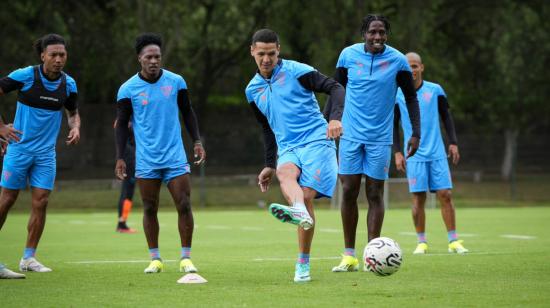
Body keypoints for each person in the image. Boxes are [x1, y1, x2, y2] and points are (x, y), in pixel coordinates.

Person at [245, 29, 345, 282]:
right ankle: (298, 212)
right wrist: (269, 163)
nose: (266, 59)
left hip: (316, 141)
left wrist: (334, 118)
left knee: (307, 195)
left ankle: (303, 261)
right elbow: (267, 127)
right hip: (288, 147)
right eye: (261, 54)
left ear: (278, 50)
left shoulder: (298, 71)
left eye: (271, 53)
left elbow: (335, 87)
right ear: (252, 52)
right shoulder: (252, 90)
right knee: (284, 173)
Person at [331, 15, 421, 272]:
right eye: (373, 32)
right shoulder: (347, 56)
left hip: (380, 139)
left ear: (387, 35)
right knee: (348, 190)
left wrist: (415, 133)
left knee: (374, 193)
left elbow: (411, 99)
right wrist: (329, 120)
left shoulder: (398, 61)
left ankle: (373, 255)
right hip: (349, 135)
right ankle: (349, 255)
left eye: (382, 32)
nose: (378, 37)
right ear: (364, 33)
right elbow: (336, 90)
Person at [115, 33, 206, 274]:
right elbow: (122, 124)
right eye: (149, 57)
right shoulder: (127, 89)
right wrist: (121, 157)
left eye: (157, 56)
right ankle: (155, 258)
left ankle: (186, 258)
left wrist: (196, 140)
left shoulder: (176, 82)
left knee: (184, 204)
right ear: (140, 59)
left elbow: (187, 112)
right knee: (149, 207)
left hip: (175, 156)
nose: (154, 61)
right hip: (146, 159)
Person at [0, 34, 80, 273]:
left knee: (41, 202)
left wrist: (75, 126)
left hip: (46, 155)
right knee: (6, 200)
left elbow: (73, 111)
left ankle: (28, 258)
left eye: (62, 55)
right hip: (19, 149)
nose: (58, 59)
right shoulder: (26, 75)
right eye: (53, 54)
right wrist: (2, 127)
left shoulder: (69, 84)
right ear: (42, 55)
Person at [394, 52, 468, 254]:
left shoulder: (435, 90)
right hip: (414, 155)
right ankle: (421, 242)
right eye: (408, 66)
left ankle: (453, 241)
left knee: (446, 194)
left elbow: (446, 117)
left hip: (437, 153)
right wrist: (398, 152)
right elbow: (393, 125)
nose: (412, 70)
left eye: (415, 66)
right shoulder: (398, 94)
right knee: (418, 198)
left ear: (422, 68)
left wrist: (453, 142)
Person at [114, 119, 136, 233]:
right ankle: (121, 224)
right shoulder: (123, 121)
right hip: (129, 161)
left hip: (130, 159)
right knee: (127, 191)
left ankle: (122, 223)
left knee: (128, 192)